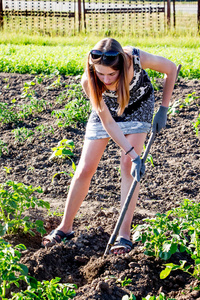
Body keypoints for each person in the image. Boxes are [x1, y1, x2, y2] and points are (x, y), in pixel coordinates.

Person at [42, 38, 177, 254]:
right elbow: (108, 122)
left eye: (111, 74)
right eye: (100, 73)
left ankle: (124, 235)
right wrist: (134, 154)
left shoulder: (135, 58)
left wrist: (163, 108)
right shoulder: (89, 80)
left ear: (121, 66)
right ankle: (65, 227)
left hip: (139, 105)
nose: (105, 79)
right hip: (108, 113)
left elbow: (170, 69)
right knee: (85, 168)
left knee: (126, 166)